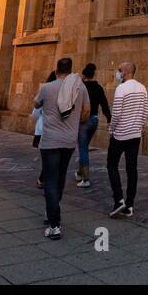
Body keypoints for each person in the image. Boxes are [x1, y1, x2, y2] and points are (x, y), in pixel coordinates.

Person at [33, 59, 87, 239]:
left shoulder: (47, 88)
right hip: (69, 141)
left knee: (50, 179)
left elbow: (36, 105)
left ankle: (54, 224)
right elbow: (86, 112)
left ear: (56, 70)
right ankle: (52, 210)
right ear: (71, 71)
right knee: (61, 176)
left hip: (50, 141)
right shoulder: (80, 88)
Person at [107, 61, 148, 219]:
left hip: (120, 135)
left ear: (125, 72)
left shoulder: (121, 89)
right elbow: (145, 111)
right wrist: (137, 126)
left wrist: (111, 129)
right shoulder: (142, 88)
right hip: (135, 135)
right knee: (132, 169)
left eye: (119, 70)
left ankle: (119, 200)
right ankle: (130, 205)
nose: (117, 73)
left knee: (112, 165)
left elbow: (116, 113)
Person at [75, 63, 112, 188]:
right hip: (94, 120)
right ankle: (80, 173)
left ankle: (85, 179)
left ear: (83, 75)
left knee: (83, 148)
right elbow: (104, 104)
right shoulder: (98, 87)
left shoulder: (81, 87)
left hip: (83, 121)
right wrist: (109, 119)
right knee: (83, 145)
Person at [33, 70, 55, 188]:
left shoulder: (44, 91)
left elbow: (35, 112)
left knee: (46, 156)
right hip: (55, 130)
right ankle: (44, 178)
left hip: (42, 129)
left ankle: (43, 179)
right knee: (51, 157)